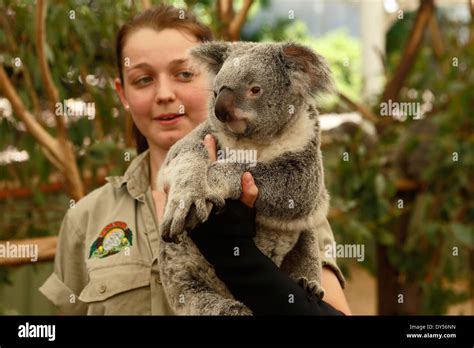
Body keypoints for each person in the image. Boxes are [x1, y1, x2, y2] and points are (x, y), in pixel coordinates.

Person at [39, 4, 351, 315]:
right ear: (122, 94)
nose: (164, 94)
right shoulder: (87, 219)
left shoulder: (286, 202)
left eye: (185, 74)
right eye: (143, 79)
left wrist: (237, 256)